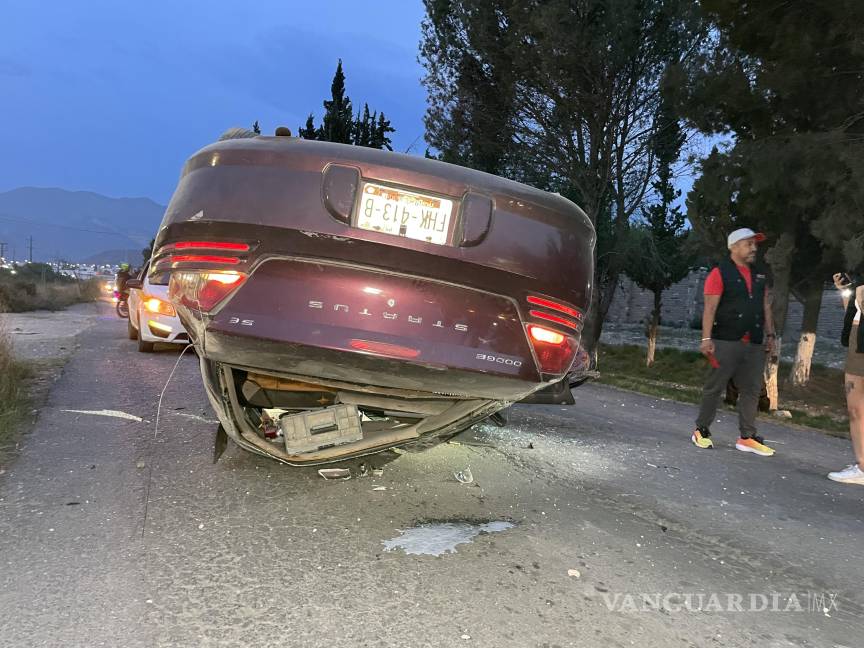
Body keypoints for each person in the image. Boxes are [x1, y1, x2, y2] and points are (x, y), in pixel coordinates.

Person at [691, 228, 777, 456]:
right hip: (726, 340)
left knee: (751, 389)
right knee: (714, 388)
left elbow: (766, 306)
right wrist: (706, 338)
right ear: (734, 247)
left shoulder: (759, 275)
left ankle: (747, 437)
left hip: (755, 342)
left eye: (755, 244)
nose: (754, 248)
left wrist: (770, 335)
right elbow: (710, 308)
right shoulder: (720, 273)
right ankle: (701, 430)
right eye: (749, 244)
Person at [827, 273, 864, 485]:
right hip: (857, 339)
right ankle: (862, 466)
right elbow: (853, 313)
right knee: (856, 409)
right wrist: (846, 291)